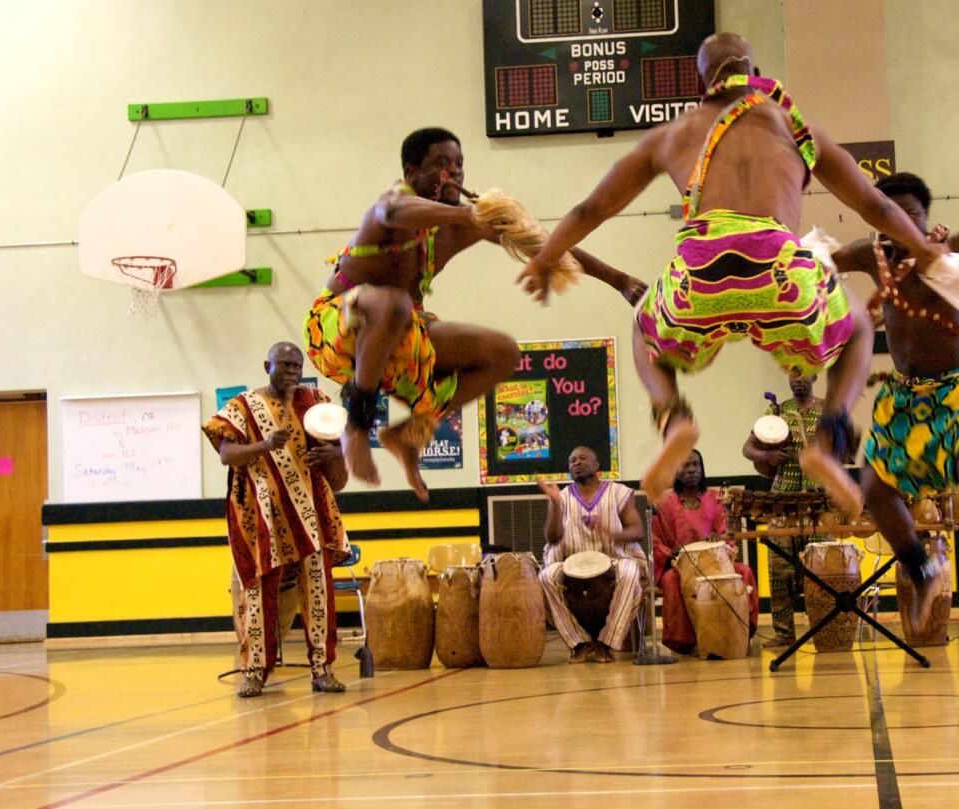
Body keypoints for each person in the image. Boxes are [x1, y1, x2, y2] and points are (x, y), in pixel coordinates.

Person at [518, 32, 957, 515]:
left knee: (644, 324)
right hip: (780, 273)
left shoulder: (673, 134)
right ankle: (829, 433)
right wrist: (924, 251)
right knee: (854, 327)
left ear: (701, 80)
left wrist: (544, 259)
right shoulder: (796, 128)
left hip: (700, 275)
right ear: (754, 71)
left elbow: (591, 208)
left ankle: (673, 418)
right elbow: (875, 204)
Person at [306, 127, 646, 495]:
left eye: (459, 165)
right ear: (410, 172)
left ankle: (410, 435)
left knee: (502, 353)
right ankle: (357, 427)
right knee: (394, 303)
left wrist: (619, 280)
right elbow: (392, 210)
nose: (452, 173)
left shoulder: (460, 224)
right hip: (338, 329)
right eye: (440, 164)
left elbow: (546, 244)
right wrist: (466, 218)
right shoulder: (393, 206)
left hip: (402, 336)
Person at [831, 172, 959, 627]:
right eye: (887, 214)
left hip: (956, 392)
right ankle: (920, 570)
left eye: (910, 214)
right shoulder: (873, 255)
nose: (898, 223)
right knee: (874, 490)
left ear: (924, 218)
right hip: (904, 397)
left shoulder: (953, 249)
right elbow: (823, 261)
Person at [202, 342, 350, 698]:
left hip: (312, 512)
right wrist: (265, 446)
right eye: (284, 364)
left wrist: (335, 451)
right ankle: (255, 671)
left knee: (319, 589)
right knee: (259, 593)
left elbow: (343, 451)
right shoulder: (241, 408)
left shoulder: (317, 403)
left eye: (297, 365)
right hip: (263, 514)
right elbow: (227, 454)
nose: (292, 371)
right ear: (266, 364)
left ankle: (323, 668)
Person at [538, 446, 647, 663]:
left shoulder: (618, 492)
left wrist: (614, 532)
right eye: (572, 460)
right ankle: (580, 643)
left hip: (615, 560)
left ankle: (606, 643)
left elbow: (638, 531)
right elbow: (552, 537)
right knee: (547, 576)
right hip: (571, 564)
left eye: (582, 458)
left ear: (597, 465)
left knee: (629, 571)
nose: (576, 463)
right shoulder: (561, 497)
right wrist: (555, 503)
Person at [741, 373, 823, 646]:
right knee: (780, 571)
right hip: (782, 500)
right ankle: (784, 633)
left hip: (818, 501)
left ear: (814, 375)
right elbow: (747, 448)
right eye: (792, 374)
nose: (798, 379)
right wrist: (767, 456)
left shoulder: (826, 410)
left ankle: (822, 629)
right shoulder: (777, 412)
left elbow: (844, 448)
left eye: (803, 373)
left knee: (820, 569)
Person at [651, 450, 759, 655]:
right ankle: (687, 643)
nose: (692, 470)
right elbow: (655, 539)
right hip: (682, 569)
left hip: (716, 563)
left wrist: (718, 539)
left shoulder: (716, 498)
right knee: (669, 580)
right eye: (685, 465)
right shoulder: (665, 503)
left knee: (743, 571)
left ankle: (740, 631)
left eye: (695, 465)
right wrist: (670, 554)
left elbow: (726, 531)